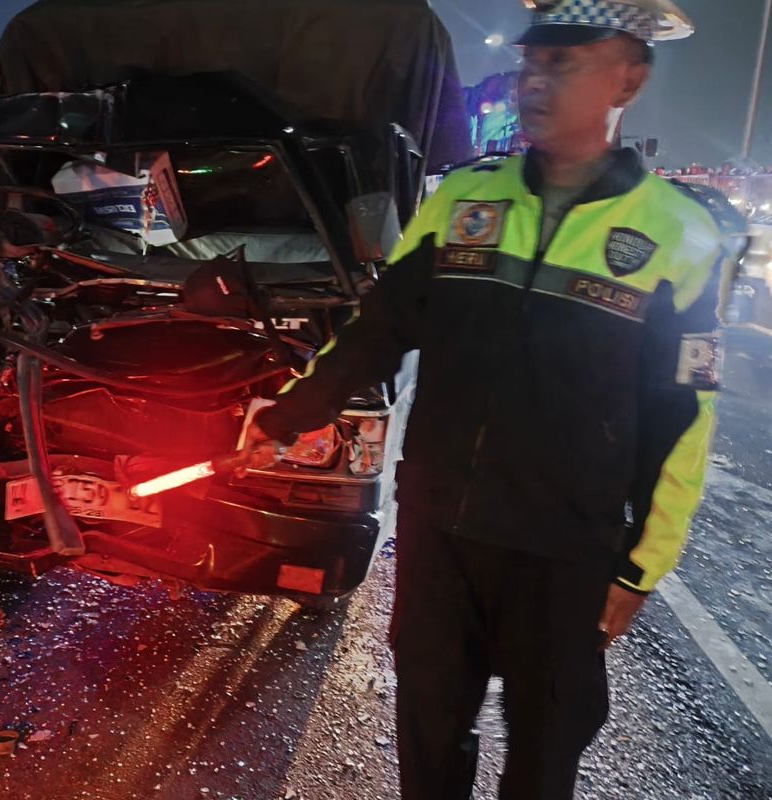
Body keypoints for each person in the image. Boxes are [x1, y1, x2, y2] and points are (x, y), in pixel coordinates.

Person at [246, 2, 723, 798]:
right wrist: (292, 413)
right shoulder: (466, 199)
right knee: (429, 737)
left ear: (629, 78)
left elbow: (682, 420)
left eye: (565, 63)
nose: (537, 78)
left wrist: (640, 568)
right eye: (533, 61)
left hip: (565, 550)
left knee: (545, 752)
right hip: (441, 535)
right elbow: (379, 327)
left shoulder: (679, 234)